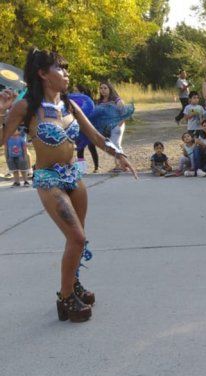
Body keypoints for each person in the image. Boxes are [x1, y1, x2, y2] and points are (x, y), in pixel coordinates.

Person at [0, 48, 136, 322]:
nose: (66, 73)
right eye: (59, 68)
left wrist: (118, 154)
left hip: (74, 176)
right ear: (42, 74)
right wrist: (1, 109)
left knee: (77, 239)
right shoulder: (26, 107)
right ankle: (65, 299)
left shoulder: (69, 105)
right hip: (48, 178)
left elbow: (95, 135)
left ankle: (73, 285)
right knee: (77, 237)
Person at [95, 81, 131, 173]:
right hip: (107, 128)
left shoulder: (116, 100)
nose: (103, 90)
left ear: (110, 89)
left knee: (116, 144)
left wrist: (118, 125)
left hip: (117, 125)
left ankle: (122, 165)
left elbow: (125, 114)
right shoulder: (99, 102)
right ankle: (119, 165)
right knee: (112, 146)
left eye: (105, 88)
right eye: (101, 88)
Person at [73, 84, 98, 172]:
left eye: (76, 91)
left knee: (92, 147)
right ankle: (82, 170)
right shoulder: (73, 102)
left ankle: (96, 168)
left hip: (88, 127)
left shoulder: (88, 101)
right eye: (74, 91)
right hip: (79, 128)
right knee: (80, 149)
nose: (74, 93)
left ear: (82, 92)